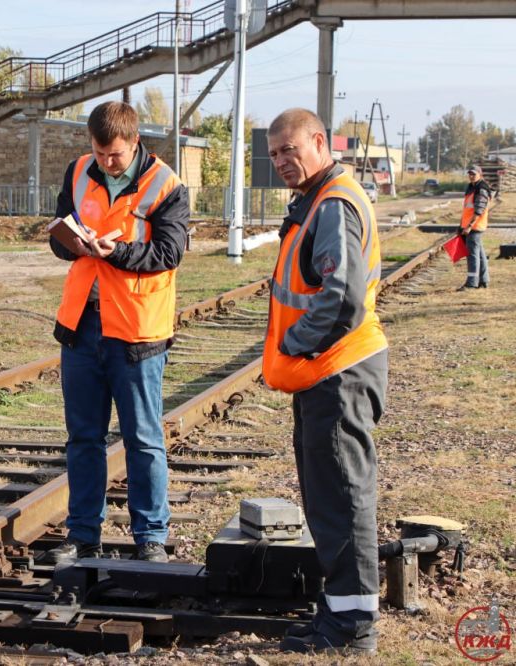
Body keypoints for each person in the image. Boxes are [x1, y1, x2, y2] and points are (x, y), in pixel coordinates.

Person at [263, 108, 388, 655]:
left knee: (342, 493)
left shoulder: (333, 203)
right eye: (273, 155)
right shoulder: (319, 199)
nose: (282, 162)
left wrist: (293, 344)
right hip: (329, 371)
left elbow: (342, 298)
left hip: (338, 370)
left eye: (290, 149)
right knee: (331, 492)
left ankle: (352, 623)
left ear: (319, 142)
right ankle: (338, 609)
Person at [46, 101, 188, 564]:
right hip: (82, 327)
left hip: (137, 332)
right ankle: (83, 533)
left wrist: (117, 251)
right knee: (83, 437)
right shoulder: (78, 171)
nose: (106, 163)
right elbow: (58, 233)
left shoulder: (166, 185)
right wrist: (72, 243)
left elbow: (169, 252)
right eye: (100, 153)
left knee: (142, 438)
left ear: (135, 142)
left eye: (116, 156)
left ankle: (150, 536)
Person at [458, 164, 492, 290]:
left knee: (472, 255)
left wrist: (469, 226)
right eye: (470, 174)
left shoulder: (481, 188)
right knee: (480, 254)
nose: (471, 176)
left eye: (474, 174)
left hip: (474, 226)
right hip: (470, 226)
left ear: (480, 174)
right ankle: (484, 280)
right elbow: (467, 209)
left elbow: (479, 210)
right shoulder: (472, 187)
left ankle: (471, 283)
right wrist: (461, 225)